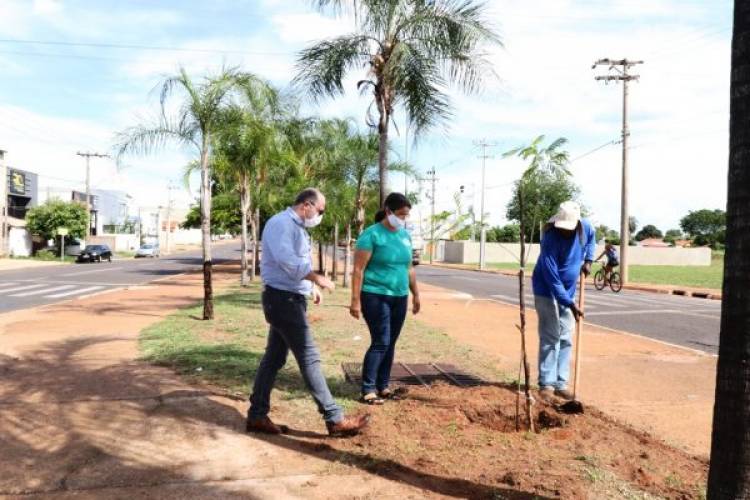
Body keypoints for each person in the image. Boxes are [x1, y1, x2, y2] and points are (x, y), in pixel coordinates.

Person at [247, 188, 369, 437]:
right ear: (307, 205)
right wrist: (317, 278)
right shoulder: (281, 224)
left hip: (287, 297)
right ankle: (334, 418)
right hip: (283, 301)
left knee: (273, 359)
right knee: (309, 357)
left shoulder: (296, 227)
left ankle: (257, 415)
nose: (320, 216)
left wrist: (310, 287)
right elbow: (287, 261)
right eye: (320, 211)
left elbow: (291, 268)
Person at [350, 193, 420, 405]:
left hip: (400, 296)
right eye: (400, 214)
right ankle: (368, 389)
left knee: (391, 343)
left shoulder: (404, 236)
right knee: (381, 341)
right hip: (375, 295)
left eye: (406, 215)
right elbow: (358, 269)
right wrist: (355, 300)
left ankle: (383, 386)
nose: (403, 219)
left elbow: (409, 268)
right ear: (388, 211)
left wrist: (416, 294)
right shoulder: (371, 235)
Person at [532, 201, 596, 401]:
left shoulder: (585, 227)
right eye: (562, 229)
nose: (565, 232)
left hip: (568, 292)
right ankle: (547, 384)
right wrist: (570, 303)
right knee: (551, 336)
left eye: (569, 229)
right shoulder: (550, 238)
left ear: (577, 225)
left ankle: (561, 383)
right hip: (547, 290)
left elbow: (592, 239)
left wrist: (588, 260)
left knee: (566, 337)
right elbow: (551, 277)